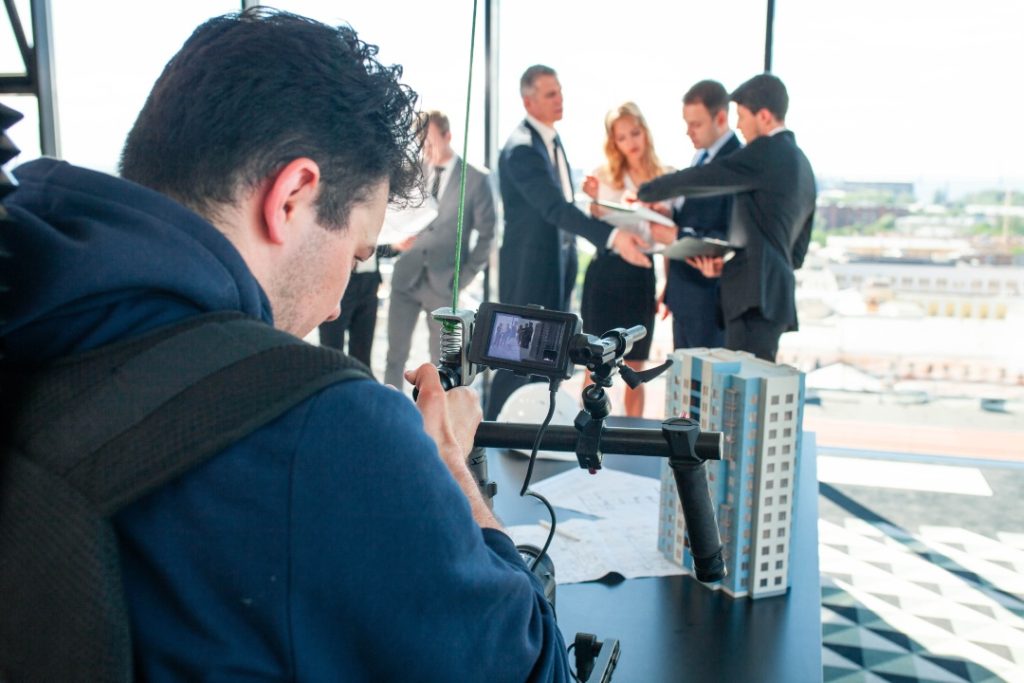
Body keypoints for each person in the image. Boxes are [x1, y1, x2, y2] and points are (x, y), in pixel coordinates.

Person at [0, 9, 569, 681]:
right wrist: (446, 459)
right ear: (293, 195)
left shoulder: (26, 300)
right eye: (357, 254)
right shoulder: (326, 431)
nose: (336, 302)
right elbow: (531, 665)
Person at [489, 64, 652, 419]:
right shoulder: (521, 148)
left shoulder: (550, 138)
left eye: (560, 91)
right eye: (550, 94)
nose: (560, 99)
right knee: (515, 358)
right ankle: (490, 435)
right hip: (529, 272)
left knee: (545, 358)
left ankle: (531, 430)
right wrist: (611, 237)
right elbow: (554, 208)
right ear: (528, 102)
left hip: (557, 268)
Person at [638, 73, 816, 362]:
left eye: (743, 117)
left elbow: (709, 176)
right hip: (774, 298)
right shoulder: (802, 163)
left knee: (737, 395)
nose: (739, 126)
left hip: (750, 300)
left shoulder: (765, 152)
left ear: (765, 116)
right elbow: (796, 254)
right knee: (753, 390)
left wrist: (649, 191)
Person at [384, 110, 496, 389]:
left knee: (442, 363)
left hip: (445, 284)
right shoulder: (410, 172)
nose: (425, 149)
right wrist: (395, 241)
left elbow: (488, 235)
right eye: (420, 143)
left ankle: (437, 422)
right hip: (405, 277)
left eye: (431, 142)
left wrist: (463, 277)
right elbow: (390, 215)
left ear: (448, 136)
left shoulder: (476, 179)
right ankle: (392, 420)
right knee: (394, 357)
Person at [580, 102, 676, 417]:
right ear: (614, 142)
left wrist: (668, 285)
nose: (631, 142)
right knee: (593, 363)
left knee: (636, 369)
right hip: (604, 274)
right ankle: (586, 433)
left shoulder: (667, 178)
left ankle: (632, 442)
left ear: (645, 131)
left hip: (641, 277)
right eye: (622, 137)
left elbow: (670, 239)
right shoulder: (601, 177)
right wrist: (593, 202)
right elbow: (593, 224)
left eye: (634, 133)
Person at [662, 80, 742, 351]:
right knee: (683, 386)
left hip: (709, 299)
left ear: (720, 118)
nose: (688, 132)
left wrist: (679, 235)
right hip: (684, 295)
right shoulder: (700, 158)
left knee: (705, 388)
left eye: (695, 124)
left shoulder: (737, 163)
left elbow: (733, 231)